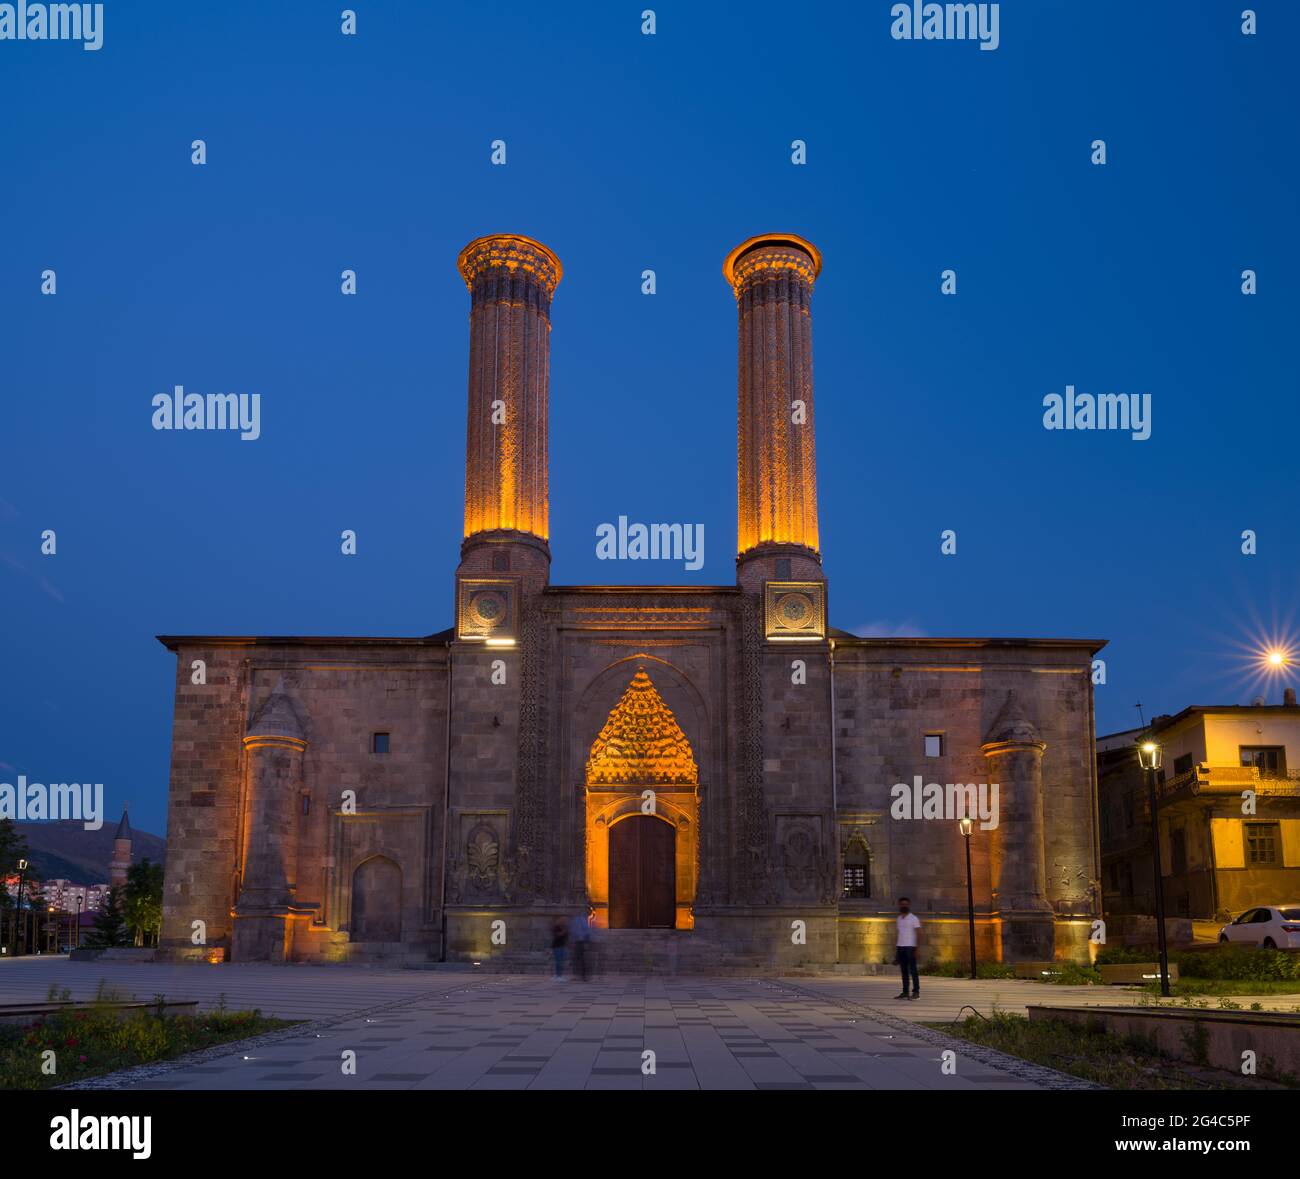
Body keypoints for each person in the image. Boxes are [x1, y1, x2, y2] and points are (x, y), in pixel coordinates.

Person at [894, 897, 922, 1000]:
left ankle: (916, 992)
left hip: (910, 948)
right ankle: (905, 992)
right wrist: (896, 951)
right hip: (901, 947)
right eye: (902, 904)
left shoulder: (914, 918)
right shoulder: (898, 919)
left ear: (909, 905)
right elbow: (899, 935)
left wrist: (917, 949)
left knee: (913, 971)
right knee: (904, 972)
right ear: (899, 905)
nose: (904, 906)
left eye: (906, 904)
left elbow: (919, 933)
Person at [571, 909, 591, 981]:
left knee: (579, 959)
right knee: (577, 959)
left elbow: (586, 931)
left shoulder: (581, 920)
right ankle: (580, 975)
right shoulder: (576, 920)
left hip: (580, 942)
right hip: (578, 941)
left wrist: (586, 940)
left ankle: (582, 975)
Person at [551, 915, 569, 980]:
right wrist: (564, 931)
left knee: (561, 961)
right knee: (558, 961)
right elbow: (557, 935)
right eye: (562, 920)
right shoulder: (556, 927)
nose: (563, 921)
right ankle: (558, 975)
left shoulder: (564, 927)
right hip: (557, 946)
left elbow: (566, 937)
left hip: (562, 946)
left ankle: (559, 975)